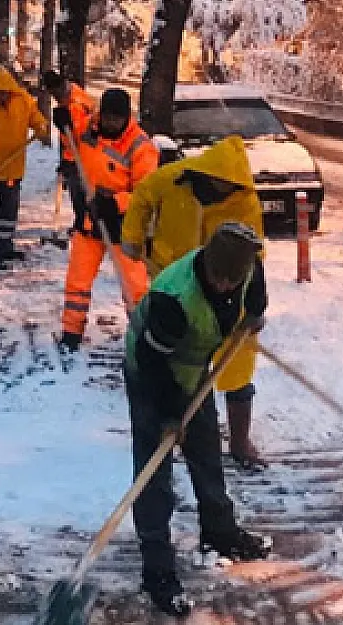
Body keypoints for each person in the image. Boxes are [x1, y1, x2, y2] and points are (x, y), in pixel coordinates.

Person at [122, 222, 271, 617]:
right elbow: (155, 365)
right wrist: (171, 417)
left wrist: (254, 313)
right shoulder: (174, 297)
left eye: (232, 281)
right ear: (206, 263)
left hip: (193, 368)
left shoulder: (245, 265)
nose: (225, 287)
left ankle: (220, 533)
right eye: (219, 278)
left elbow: (255, 288)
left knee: (206, 449)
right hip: (151, 372)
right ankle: (157, 565)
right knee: (155, 468)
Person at [122, 136, 268, 469]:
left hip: (227, 289)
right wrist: (132, 236)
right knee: (172, 354)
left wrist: (254, 310)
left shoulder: (245, 202)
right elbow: (143, 196)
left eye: (231, 185)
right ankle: (172, 422)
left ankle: (240, 441)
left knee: (239, 361)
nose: (224, 189)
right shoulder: (171, 178)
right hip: (177, 278)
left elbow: (254, 258)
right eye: (220, 181)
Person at [57, 88, 158, 353]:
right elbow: (72, 144)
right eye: (107, 117)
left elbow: (146, 193)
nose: (110, 123)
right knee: (77, 282)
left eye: (116, 119)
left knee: (134, 287)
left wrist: (114, 203)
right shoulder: (89, 128)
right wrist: (63, 125)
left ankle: (142, 335)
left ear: (127, 118)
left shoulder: (140, 147)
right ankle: (71, 331)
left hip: (123, 226)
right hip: (89, 220)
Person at [0, 67, 51, 270]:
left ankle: (6, 246)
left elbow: (36, 118)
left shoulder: (23, 101)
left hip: (13, 168)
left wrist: (41, 127)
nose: (1, 98)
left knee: (9, 209)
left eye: (4, 94)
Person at [42, 70, 96, 238]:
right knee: (75, 189)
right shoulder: (65, 101)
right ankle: (80, 222)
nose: (54, 96)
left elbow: (80, 136)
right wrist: (66, 159)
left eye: (54, 92)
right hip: (74, 155)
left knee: (84, 190)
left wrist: (69, 126)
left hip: (88, 154)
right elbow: (68, 139)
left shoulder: (76, 103)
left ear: (60, 87)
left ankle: (88, 224)